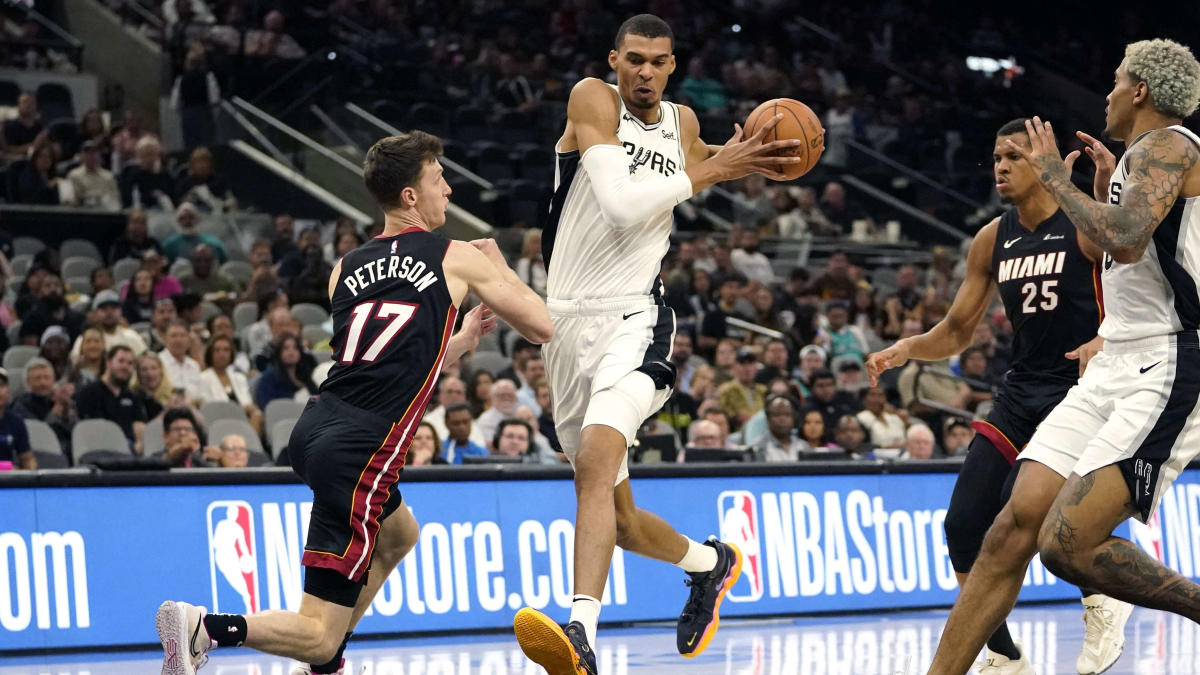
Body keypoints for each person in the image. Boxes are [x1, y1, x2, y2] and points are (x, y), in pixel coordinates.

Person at [156, 129, 551, 675]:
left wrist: (455, 343)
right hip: (362, 449)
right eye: (440, 179)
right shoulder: (456, 256)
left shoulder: (346, 267)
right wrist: (500, 265)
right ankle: (207, 628)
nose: (450, 191)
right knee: (318, 636)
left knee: (401, 534)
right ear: (411, 194)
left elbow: (379, 361)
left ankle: (322, 658)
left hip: (319, 427)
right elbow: (540, 326)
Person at [512, 14, 803, 672]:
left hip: (635, 318)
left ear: (674, 66)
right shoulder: (593, 98)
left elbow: (704, 173)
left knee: (593, 460)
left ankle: (579, 634)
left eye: (659, 61)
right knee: (621, 516)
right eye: (635, 59)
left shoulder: (684, 125)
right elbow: (619, 202)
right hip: (565, 326)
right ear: (614, 59)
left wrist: (752, 159)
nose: (645, 72)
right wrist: (715, 169)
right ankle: (712, 563)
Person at [927, 40, 1200, 674]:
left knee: (1066, 545)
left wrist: (1057, 179)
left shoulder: (1171, 144)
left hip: (1167, 361)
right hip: (1114, 362)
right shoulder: (1139, 158)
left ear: (1140, 92)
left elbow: (1126, 238)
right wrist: (1104, 190)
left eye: (1114, 80)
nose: (1104, 93)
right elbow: (1127, 252)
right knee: (1006, 533)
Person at [868, 117, 1125, 672]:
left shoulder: (1081, 221)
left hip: (1081, 390)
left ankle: (1102, 599)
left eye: (1014, 156)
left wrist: (1106, 337)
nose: (1001, 168)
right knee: (962, 524)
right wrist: (908, 347)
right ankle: (1004, 654)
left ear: (1044, 163)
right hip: (1021, 389)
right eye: (996, 158)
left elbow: (1135, 292)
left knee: (1035, 512)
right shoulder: (993, 237)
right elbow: (959, 329)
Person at [75, 345, 147, 453]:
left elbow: (139, 425)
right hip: (100, 448)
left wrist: (140, 443)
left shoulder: (132, 396)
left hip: (130, 451)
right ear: (108, 363)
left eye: (130, 363)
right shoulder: (89, 392)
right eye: (121, 361)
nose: (125, 367)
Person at [197, 335, 263, 434]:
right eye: (217, 350)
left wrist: (250, 408)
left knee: (257, 414)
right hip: (218, 421)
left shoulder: (239, 377)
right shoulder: (203, 378)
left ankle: (250, 445)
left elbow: (247, 403)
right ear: (210, 353)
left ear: (231, 354)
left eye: (226, 350)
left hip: (242, 419)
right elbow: (207, 406)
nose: (222, 354)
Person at [67, 139, 120, 210]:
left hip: (105, 213)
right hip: (81, 213)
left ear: (99, 155)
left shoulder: (108, 176)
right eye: (87, 152)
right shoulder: (74, 175)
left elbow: (115, 198)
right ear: (81, 155)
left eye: (94, 152)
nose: (90, 155)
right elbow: (72, 199)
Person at [0, 368, 33, 470]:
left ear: (8, 391)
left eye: (1, 385)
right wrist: (7, 468)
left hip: (9, 482)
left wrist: (30, 470)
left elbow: (27, 458)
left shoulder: (16, 421)